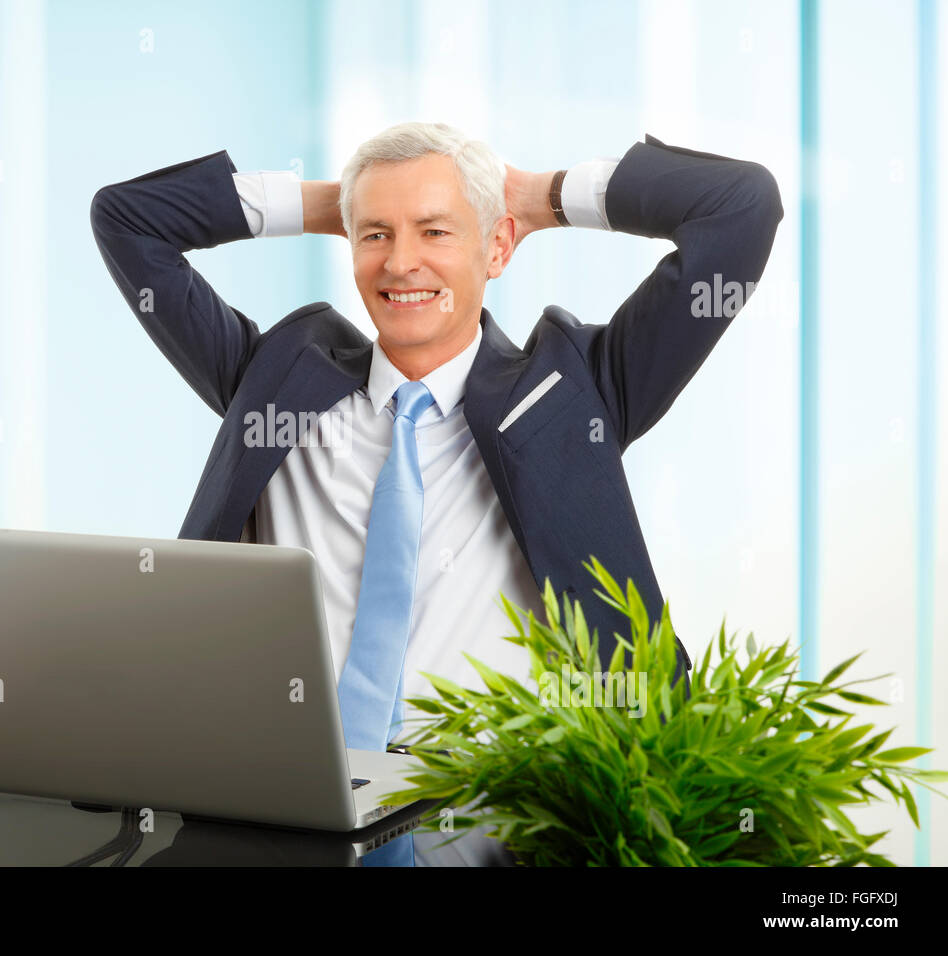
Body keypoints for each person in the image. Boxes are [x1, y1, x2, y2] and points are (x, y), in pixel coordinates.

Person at [90, 123, 782, 755]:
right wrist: (336, 203)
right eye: (376, 236)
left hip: (506, 834)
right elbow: (127, 221)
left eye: (436, 232)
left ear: (499, 246)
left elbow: (740, 207)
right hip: (288, 821)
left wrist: (543, 196)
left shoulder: (576, 392)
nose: (401, 263)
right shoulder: (276, 381)